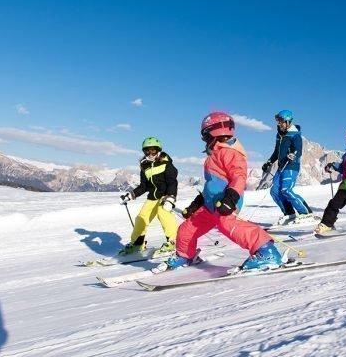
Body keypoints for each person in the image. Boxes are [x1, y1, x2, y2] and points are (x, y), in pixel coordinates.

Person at [160, 112, 285, 271]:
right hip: (210, 204)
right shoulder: (215, 153)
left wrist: (230, 198)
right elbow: (211, 184)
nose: (204, 140)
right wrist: (195, 205)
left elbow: (239, 177)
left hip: (227, 201)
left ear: (214, 132)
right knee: (186, 229)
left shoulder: (230, 152)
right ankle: (185, 255)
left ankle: (266, 252)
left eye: (205, 136)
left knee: (228, 225)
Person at [119, 137, 179, 256]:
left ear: (158, 150)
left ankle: (174, 241)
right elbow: (143, 186)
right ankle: (137, 243)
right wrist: (131, 195)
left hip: (165, 196)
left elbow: (172, 182)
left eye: (153, 150)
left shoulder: (167, 164)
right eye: (147, 151)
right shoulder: (145, 166)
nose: (150, 154)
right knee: (141, 217)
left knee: (163, 213)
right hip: (153, 197)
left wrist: (171, 197)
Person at [262, 109, 316, 226]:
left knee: (286, 190)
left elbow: (298, 150)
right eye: (278, 122)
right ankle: (289, 213)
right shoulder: (280, 135)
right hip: (282, 166)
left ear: (288, 121)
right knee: (275, 191)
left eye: (281, 122)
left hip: (291, 166)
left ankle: (306, 212)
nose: (279, 124)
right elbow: (277, 151)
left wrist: (293, 155)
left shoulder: (295, 134)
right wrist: (269, 162)